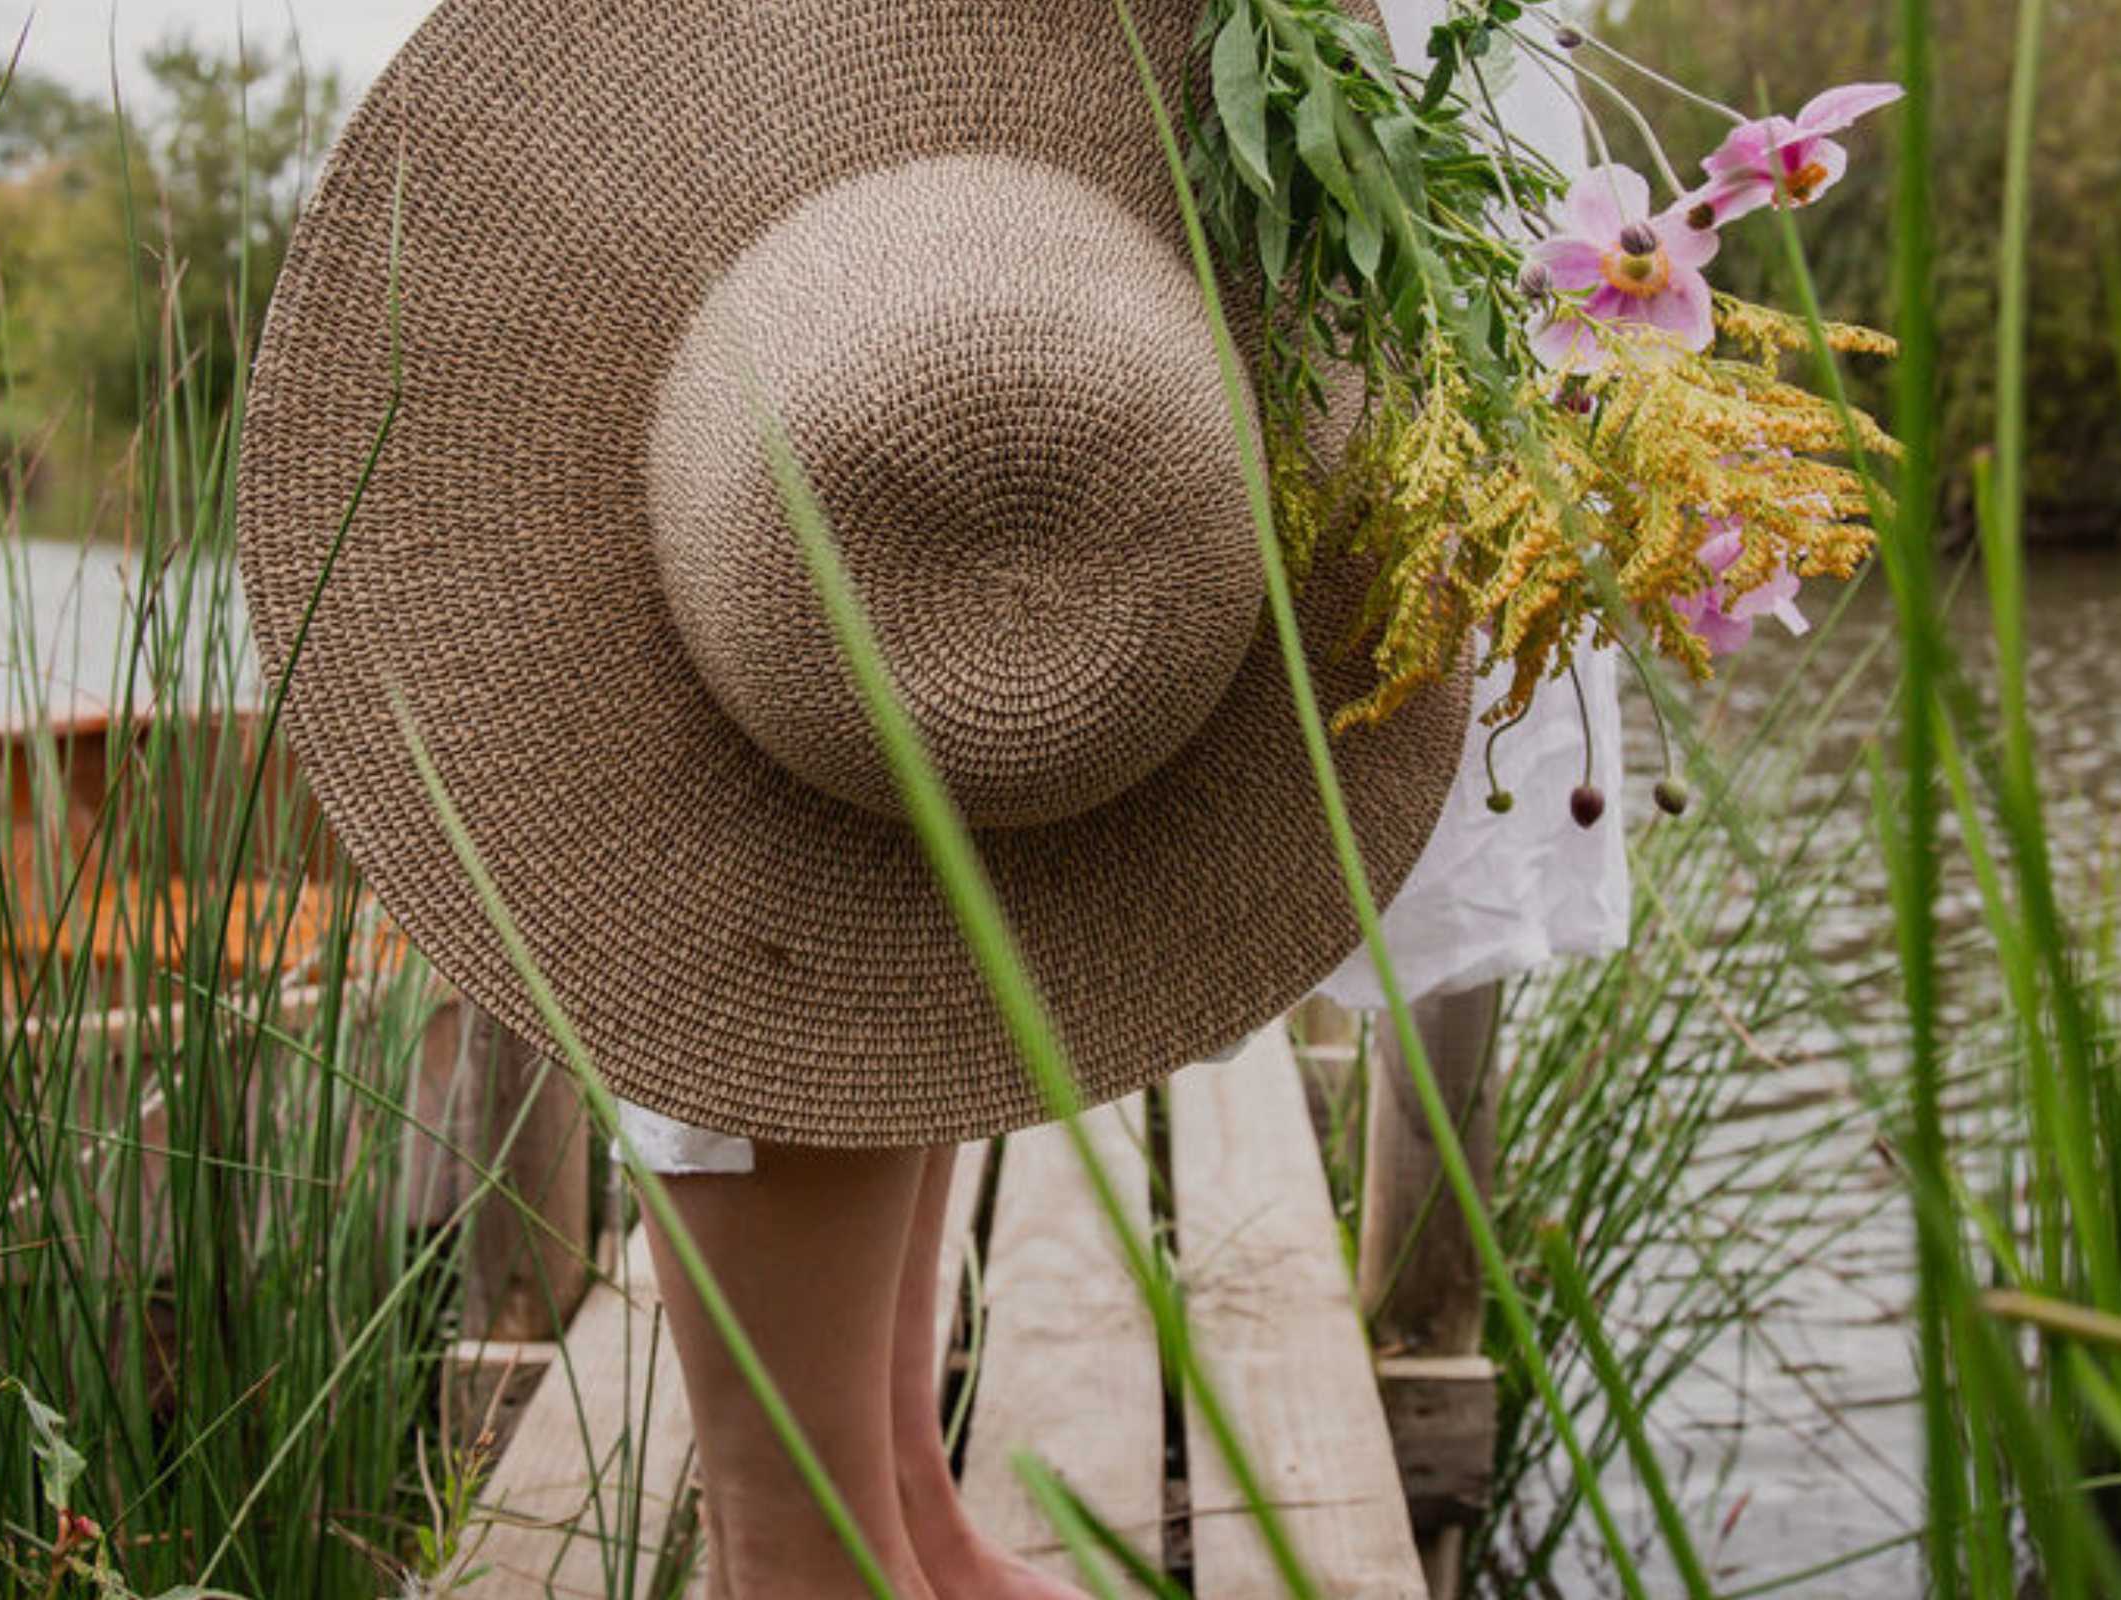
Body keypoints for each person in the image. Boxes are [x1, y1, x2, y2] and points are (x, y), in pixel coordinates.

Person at [231, 3, 1609, 1596]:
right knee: (850, 586)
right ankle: (804, 1557)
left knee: (945, 768)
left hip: (1030, 288)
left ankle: (895, 1499)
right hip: (811, 329)